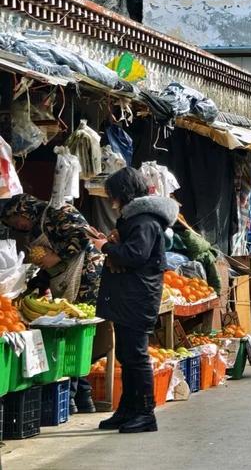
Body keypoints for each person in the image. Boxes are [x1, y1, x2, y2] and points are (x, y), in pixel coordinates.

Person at [89, 167, 178, 434]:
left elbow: (134, 255)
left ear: (123, 193)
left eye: (112, 194)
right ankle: (128, 409)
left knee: (136, 357)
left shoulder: (145, 221)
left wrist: (104, 247)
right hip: (129, 296)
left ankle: (145, 413)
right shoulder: (134, 219)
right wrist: (110, 240)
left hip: (138, 297)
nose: (110, 200)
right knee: (128, 356)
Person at [0, 193, 103, 413]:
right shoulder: (36, 228)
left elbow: (83, 236)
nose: (18, 226)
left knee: (77, 331)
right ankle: (77, 398)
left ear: (23, 210)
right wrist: (33, 286)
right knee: (69, 332)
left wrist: (57, 257)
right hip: (63, 281)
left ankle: (78, 397)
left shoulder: (58, 211)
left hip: (86, 276)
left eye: (15, 220)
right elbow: (45, 267)